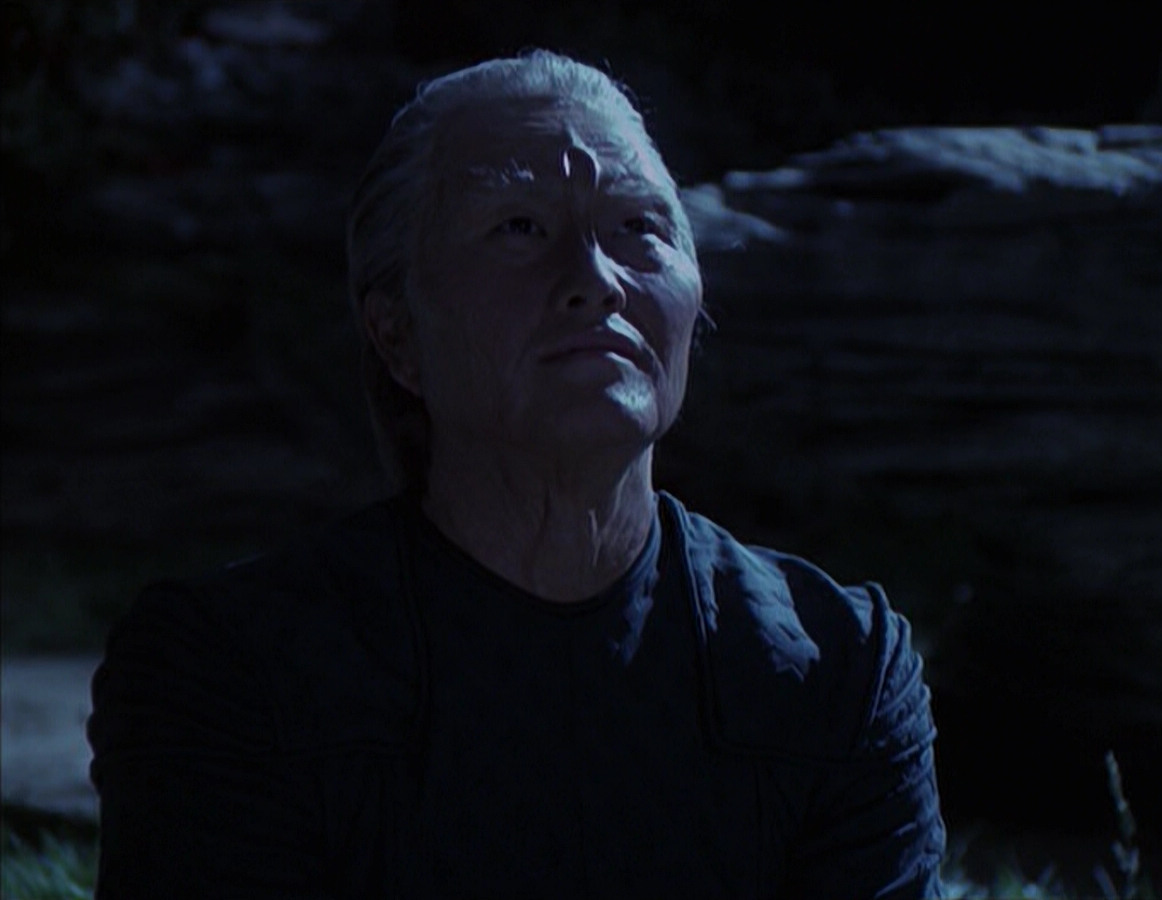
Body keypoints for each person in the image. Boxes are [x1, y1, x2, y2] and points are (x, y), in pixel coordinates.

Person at [88, 50, 946, 898]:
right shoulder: (240, 674)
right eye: (520, 227)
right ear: (398, 334)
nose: (596, 281)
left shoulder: (833, 671)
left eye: (639, 227)